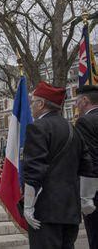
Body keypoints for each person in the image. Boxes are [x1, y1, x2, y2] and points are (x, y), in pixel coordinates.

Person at [23, 81, 88, 249]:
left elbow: (34, 169)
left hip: (45, 209)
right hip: (70, 210)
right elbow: (86, 167)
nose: (31, 106)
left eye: (33, 102)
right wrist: (86, 199)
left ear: (41, 104)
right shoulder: (74, 130)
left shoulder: (38, 127)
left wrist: (28, 206)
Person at [74, 85, 98, 249]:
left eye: (77, 101)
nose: (75, 105)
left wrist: (86, 196)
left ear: (85, 100)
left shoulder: (85, 122)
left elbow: (89, 160)